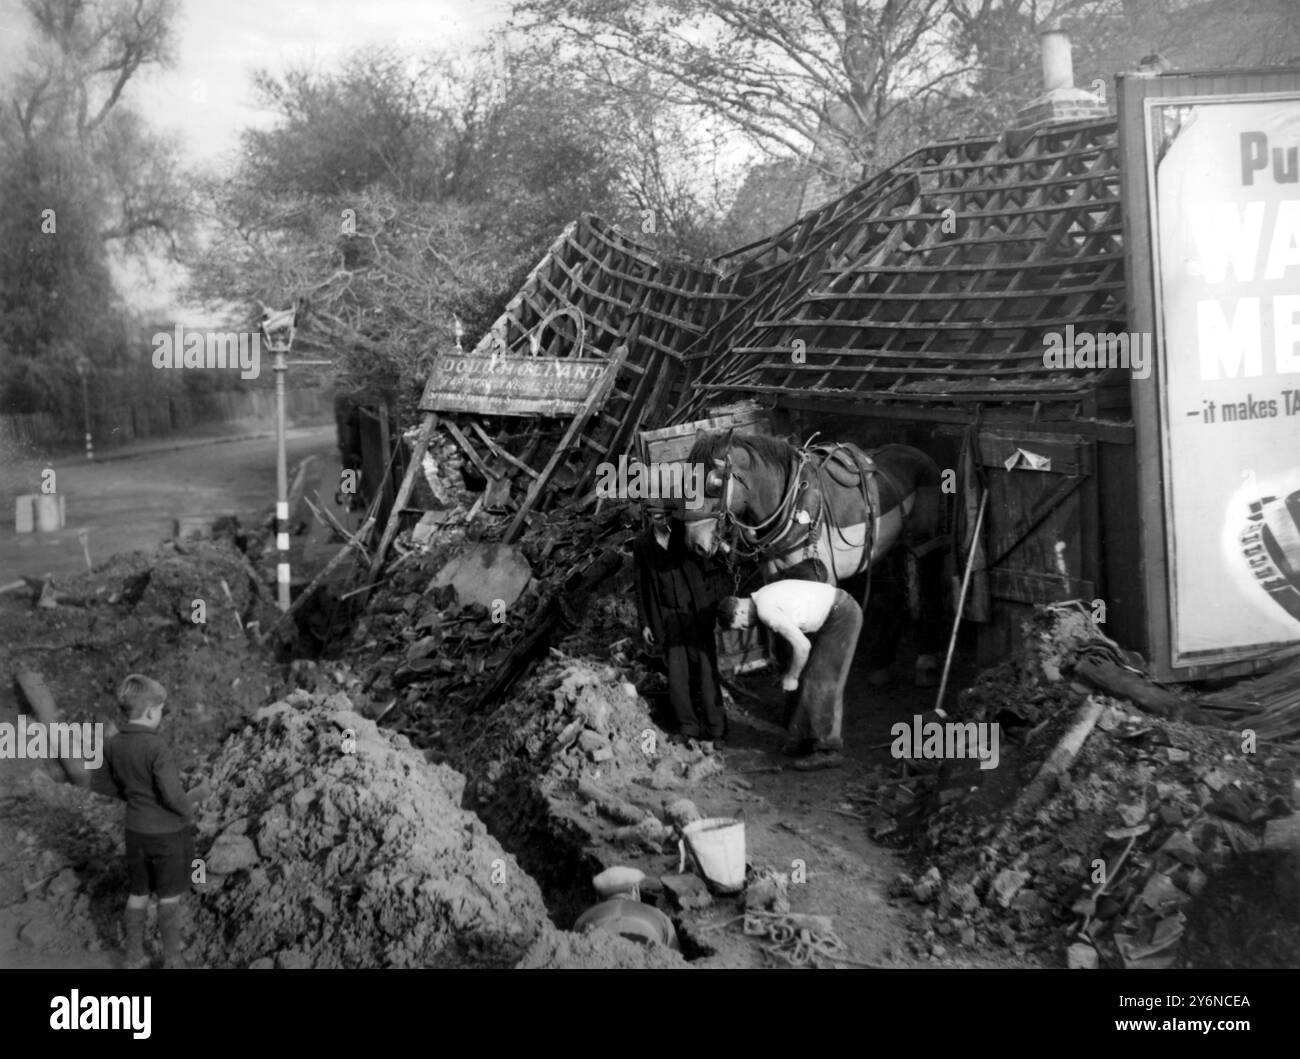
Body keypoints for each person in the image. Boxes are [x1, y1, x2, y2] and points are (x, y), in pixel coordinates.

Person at [89, 674, 195, 969]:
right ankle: (172, 957)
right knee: (168, 896)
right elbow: (172, 794)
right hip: (166, 833)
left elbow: (100, 783)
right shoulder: (156, 746)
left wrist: (133, 795)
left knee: (138, 892)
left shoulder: (112, 745)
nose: (160, 714)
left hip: (134, 832)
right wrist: (188, 812)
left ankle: (133, 956)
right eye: (160, 709)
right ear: (150, 711)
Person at [717, 580, 863, 771]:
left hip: (842, 615)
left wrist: (791, 677)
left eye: (741, 626)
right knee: (810, 677)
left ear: (739, 612)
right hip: (834, 611)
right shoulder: (762, 595)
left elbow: (802, 646)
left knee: (821, 680)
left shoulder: (766, 609)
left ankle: (828, 750)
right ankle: (806, 740)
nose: (745, 628)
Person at [633, 507, 730, 751]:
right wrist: (645, 623)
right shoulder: (642, 543)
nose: (660, 519)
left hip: (695, 611)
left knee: (707, 671)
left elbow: (710, 562)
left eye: (664, 515)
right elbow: (641, 585)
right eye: (655, 515)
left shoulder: (685, 534)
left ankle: (716, 729)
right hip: (667, 617)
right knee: (677, 675)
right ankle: (688, 727)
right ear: (648, 517)